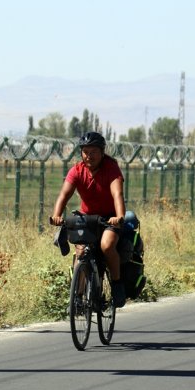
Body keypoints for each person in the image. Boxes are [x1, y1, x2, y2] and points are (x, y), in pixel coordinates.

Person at [49, 131, 127, 308]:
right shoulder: (77, 170)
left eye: (93, 152)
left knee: (106, 246)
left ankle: (117, 283)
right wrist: (57, 215)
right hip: (87, 217)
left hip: (109, 218)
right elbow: (64, 195)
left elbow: (117, 194)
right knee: (81, 252)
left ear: (102, 152)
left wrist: (119, 217)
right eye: (85, 152)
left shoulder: (111, 168)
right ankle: (77, 296)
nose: (88, 156)